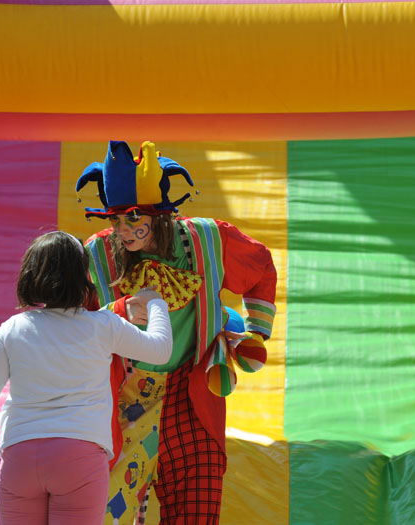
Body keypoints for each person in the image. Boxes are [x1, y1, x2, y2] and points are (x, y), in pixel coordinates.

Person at [75, 141, 277, 524]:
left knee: (197, 514)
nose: (123, 231)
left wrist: (254, 334)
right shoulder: (94, 255)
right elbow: (74, 328)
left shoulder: (209, 239)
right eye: (116, 220)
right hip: (121, 404)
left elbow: (260, 266)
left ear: (160, 216)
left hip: (193, 398)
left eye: (133, 219)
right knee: (105, 517)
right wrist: (115, 312)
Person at [0, 230, 173, 524]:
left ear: (30, 273)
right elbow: (161, 350)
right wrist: (156, 302)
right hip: (80, 458)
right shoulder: (103, 325)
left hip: (20, 458)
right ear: (83, 276)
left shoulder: (11, 329)